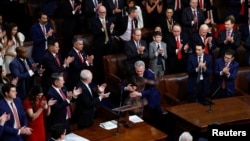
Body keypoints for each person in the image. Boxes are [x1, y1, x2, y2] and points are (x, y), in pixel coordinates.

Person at [124, 60, 162, 125]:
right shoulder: (131, 72)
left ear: (144, 69)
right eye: (137, 71)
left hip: (149, 95)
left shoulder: (149, 75)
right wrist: (126, 88)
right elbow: (123, 83)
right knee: (126, 104)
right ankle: (129, 122)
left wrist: (140, 94)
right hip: (135, 94)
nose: (139, 73)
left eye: (141, 71)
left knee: (138, 107)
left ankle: (140, 124)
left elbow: (152, 89)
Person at [91, 5, 115, 84]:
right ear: (98, 12)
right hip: (99, 46)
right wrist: (103, 28)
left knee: (108, 63)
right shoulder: (94, 21)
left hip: (108, 45)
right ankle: (99, 81)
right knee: (99, 64)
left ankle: (108, 79)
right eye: (101, 12)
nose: (103, 14)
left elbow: (112, 33)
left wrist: (111, 30)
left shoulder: (109, 19)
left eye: (104, 12)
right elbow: (94, 33)